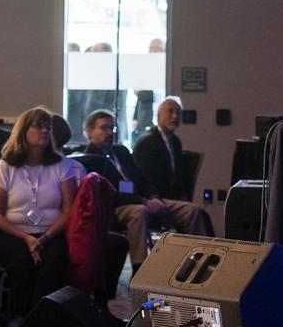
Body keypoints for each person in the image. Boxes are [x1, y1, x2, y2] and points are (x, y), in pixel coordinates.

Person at [82, 110, 211, 272]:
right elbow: (110, 194)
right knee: (139, 212)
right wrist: (144, 201)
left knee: (191, 210)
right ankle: (140, 268)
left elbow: (141, 179)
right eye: (104, 128)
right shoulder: (89, 159)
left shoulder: (120, 151)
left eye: (112, 128)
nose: (110, 133)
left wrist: (153, 196)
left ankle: (199, 262)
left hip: (144, 199)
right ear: (88, 132)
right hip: (118, 207)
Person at [0, 106, 80, 314]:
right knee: (23, 262)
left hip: (51, 232)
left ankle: (40, 320)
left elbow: (68, 210)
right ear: (23, 131)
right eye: (38, 126)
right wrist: (26, 238)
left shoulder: (62, 166)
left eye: (48, 126)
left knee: (53, 262)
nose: (45, 130)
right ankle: (23, 318)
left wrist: (44, 238)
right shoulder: (5, 167)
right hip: (12, 233)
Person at [132, 96, 190, 201]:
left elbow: (177, 177)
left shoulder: (176, 142)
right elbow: (145, 178)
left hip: (171, 197)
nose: (175, 116)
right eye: (170, 112)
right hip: (154, 198)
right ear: (158, 115)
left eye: (178, 113)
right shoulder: (147, 142)